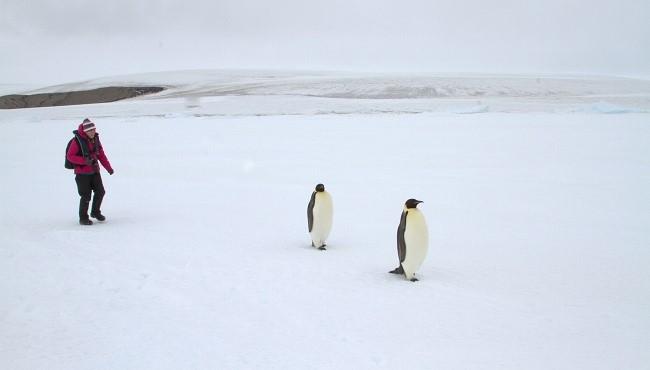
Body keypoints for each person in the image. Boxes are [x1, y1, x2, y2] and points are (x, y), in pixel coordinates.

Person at [66, 118, 114, 225]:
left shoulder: (95, 139)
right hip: (82, 174)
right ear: (85, 131)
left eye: (93, 130)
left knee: (100, 191)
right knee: (86, 196)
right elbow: (70, 156)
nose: (92, 132)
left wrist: (108, 168)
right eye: (90, 131)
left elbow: (101, 155)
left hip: (94, 171)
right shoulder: (76, 141)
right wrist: (84, 161)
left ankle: (95, 212)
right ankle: (83, 218)